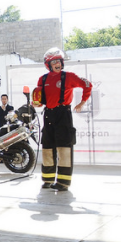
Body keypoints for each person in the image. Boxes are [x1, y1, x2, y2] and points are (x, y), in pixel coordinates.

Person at [34, 47, 92, 192]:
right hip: (48, 114)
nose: (57, 63)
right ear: (48, 65)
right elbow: (40, 100)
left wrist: (82, 102)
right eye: (54, 62)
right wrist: (36, 102)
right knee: (47, 147)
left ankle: (63, 182)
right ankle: (47, 179)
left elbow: (87, 85)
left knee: (64, 148)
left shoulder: (69, 77)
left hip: (63, 114)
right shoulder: (43, 79)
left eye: (59, 61)